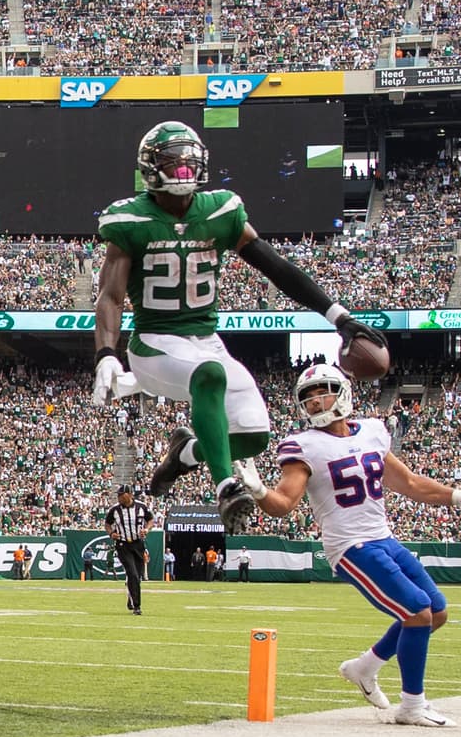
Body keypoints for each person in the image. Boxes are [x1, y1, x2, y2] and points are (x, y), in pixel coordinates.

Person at [91, 120, 387, 535]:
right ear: (151, 168)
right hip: (154, 343)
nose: (183, 172)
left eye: (188, 163)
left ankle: (185, 454)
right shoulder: (131, 218)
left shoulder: (220, 210)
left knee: (251, 437)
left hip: (205, 341)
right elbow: (111, 294)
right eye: (173, 165)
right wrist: (106, 353)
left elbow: (275, 266)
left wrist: (339, 317)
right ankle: (226, 485)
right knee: (209, 377)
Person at [235, 365, 461, 726]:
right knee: (416, 612)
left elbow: (408, 482)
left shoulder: (373, 432)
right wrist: (259, 492)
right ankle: (412, 705)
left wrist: (458, 497)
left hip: (383, 537)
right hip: (350, 546)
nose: (316, 401)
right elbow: (283, 504)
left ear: (342, 391)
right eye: (308, 397)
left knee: (437, 613)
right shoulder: (304, 447)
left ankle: (365, 667)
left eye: (323, 391)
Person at [104, 484, 152, 615]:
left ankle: (131, 598)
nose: (119, 497)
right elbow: (107, 524)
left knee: (138, 576)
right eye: (118, 495)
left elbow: (150, 519)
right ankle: (137, 606)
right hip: (123, 545)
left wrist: (146, 529)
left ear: (130, 495)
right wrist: (111, 533)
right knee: (132, 574)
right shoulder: (114, 510)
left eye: (121, 495)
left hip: (138, 544)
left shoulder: (141, 507)